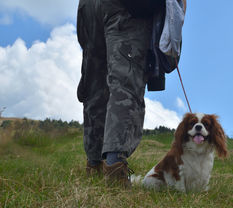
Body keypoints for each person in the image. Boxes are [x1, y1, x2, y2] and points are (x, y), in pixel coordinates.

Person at [76, 0, 186, 188]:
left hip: (88, 6)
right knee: (125, 83)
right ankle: (114, 166)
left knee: (95, 81)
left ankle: (93, 164)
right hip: (128, 8)